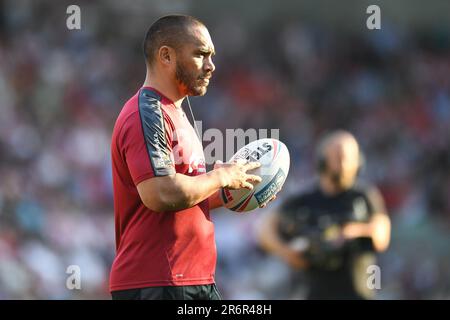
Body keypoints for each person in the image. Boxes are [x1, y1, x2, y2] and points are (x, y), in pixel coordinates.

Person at [109, 15, 276, 300]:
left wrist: (229, 192)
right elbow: (160, 194)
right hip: (158, 281)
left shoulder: (174, 112)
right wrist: (220, 175)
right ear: (166, 56)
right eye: (200, 54)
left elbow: (180, 200)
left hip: (190, 279)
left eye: (211, 56)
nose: (211, 66)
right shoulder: (147, 113)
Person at [258, 130, 391, 300]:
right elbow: (264, 228)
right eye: (339, 156)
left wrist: (350, 232)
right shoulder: (304, 199)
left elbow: (382, 235)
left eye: (350, 157)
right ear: (322, 160)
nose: (345, 164)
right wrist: (286, 252)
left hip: (358, 294)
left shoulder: (364, 195)